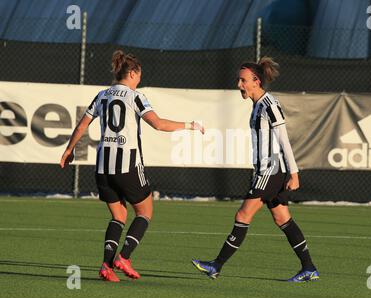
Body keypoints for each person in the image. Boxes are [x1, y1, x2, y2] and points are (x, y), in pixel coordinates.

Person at [60, 50, 204, 282]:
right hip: (127, 166)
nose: (140, 80)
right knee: (145, 212)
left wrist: (69, 150)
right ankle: (123, 257)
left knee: (118, 215)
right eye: (139, 76)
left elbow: (81, 126)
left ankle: (106, 266)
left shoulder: (102, 95)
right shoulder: (135, 97)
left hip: (103, 168)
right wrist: (191, 125)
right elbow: (158, 124)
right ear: (133, 73)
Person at [192, 57, 318, 282]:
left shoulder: (269, 105)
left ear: (256, 81)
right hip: (268, 170)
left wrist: (294, 172)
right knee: (282, 218)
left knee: (243, 215)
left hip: (270, 170)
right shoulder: (257, 105)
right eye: (238, 80)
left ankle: (216, 265)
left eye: (243, 80)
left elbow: (284, 140)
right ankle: (309, 267)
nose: (239, 84)